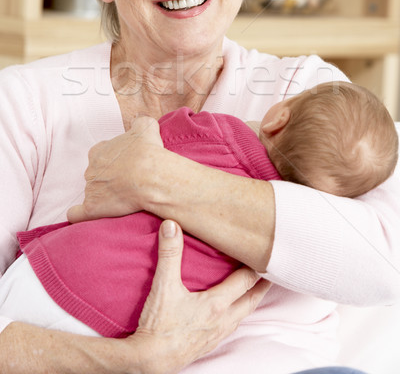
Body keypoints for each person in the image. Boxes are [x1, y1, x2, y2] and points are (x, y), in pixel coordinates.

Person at [0, 0, 398, 372]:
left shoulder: (306, 94)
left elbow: (383, 262)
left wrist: (158, 179)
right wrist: (126, 362)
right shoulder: (26, 104)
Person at [0, 81, 397, 340]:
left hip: (53, 273)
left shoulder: (215, 129)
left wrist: (152, 172)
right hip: (110, 328)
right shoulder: (25, 102)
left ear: (278, 116)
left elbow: (385, 261)